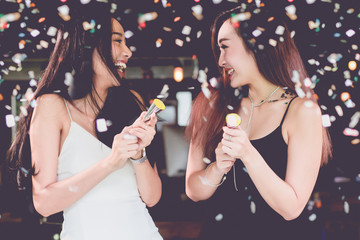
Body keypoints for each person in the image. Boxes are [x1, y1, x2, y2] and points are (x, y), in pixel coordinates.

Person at [7, 3, 163, 240]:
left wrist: (138, 154)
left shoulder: (133, 102)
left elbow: (152, 198)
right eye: (117, 41)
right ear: (85, 46)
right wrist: (112, 161)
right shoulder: (52, 106)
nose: (128, 51)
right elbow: (44, 203)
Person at [185, 4, 332, 240]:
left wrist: (247, 153)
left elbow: (291, 207)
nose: (221, 60)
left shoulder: (302, 111)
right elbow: (193, 190)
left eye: (225, 47)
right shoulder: (210, 103)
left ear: (256, 44)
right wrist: (217, 168)